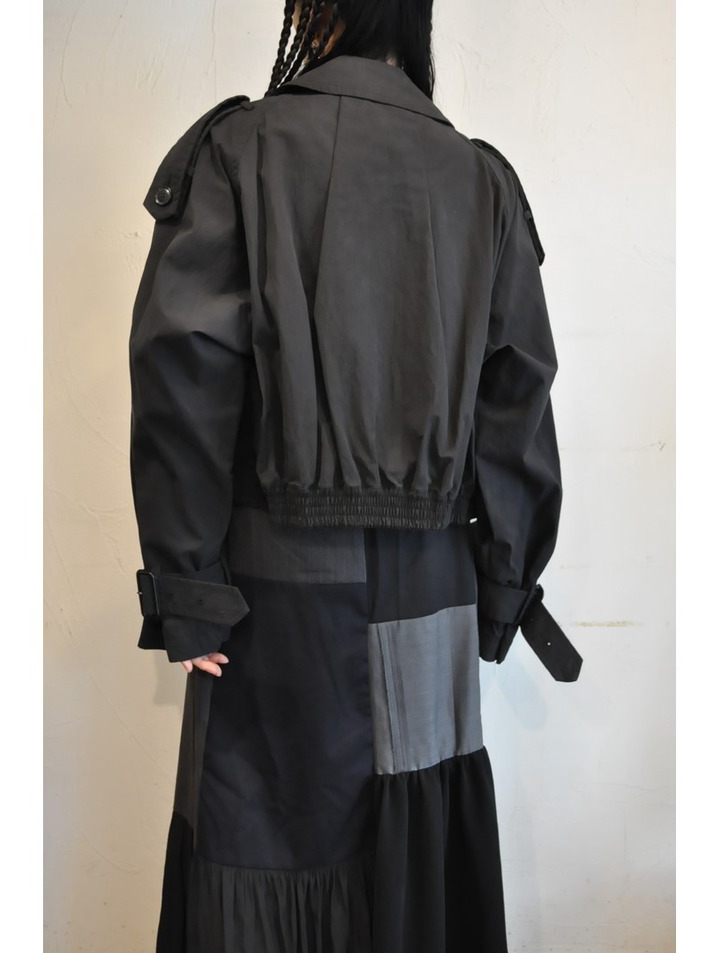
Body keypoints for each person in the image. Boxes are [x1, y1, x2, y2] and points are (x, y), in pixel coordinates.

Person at [128, 1, 581, 950]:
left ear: (317, 8)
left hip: (271, 596)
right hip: (430, 595)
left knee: (264, 848)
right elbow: (518, 405)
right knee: (413, 858)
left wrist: (190, 582)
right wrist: (503, 584)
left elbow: (185, 368)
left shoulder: (240, 149)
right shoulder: (481, 181)